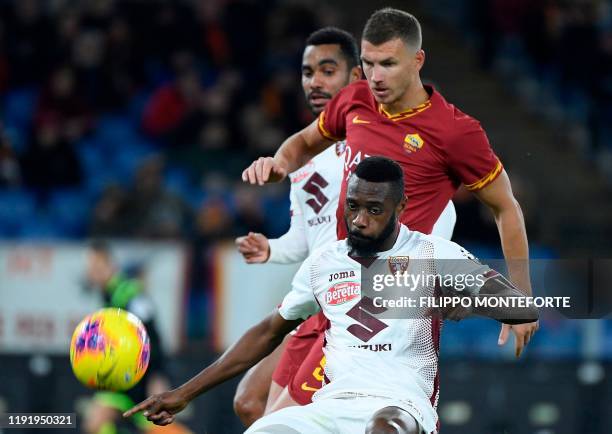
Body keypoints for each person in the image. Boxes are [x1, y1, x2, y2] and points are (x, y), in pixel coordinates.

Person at [123, 157, 538, 434]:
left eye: (374, 210)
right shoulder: (325, 262)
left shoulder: (433, 254)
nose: (359, 220)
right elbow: (268, 332)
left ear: (401, 208)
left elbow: (514, 303)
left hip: (401, 406)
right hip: (332, 405)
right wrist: (183, 393)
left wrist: (471, 304)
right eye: (352, 205)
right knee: (264, 429)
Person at [241, 8, 538, 355]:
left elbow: (505, 208)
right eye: (368, 63)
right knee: (252, 400)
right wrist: (280, 162)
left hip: (391, 301)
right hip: (337, 279)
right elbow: (305, 142)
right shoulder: (355, 99)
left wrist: (521, 296)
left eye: (388, 64)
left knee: (319, 399)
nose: (376, 76)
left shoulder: (455, 132)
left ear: (418, 60)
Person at [233, 27, 457, 426]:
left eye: (327, 70)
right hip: (319, 294)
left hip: (362, 306)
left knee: (290, 416)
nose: (314, 81)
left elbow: (434, 210)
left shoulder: (374, 151)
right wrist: (272, 249)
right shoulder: (303, 158)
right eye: (307, 72)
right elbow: (305, 239)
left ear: (357, 78)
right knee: (249, 404)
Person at [83, 240, 179, 434]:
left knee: (153, 427)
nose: (93, 272)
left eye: (97, 266)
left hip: (139, 376)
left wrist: (157, 374)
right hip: (119, 376)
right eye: (90, 267)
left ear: (111, 266)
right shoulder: (107, 295)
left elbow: (152, 332)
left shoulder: (130, 293)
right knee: (97, 423)